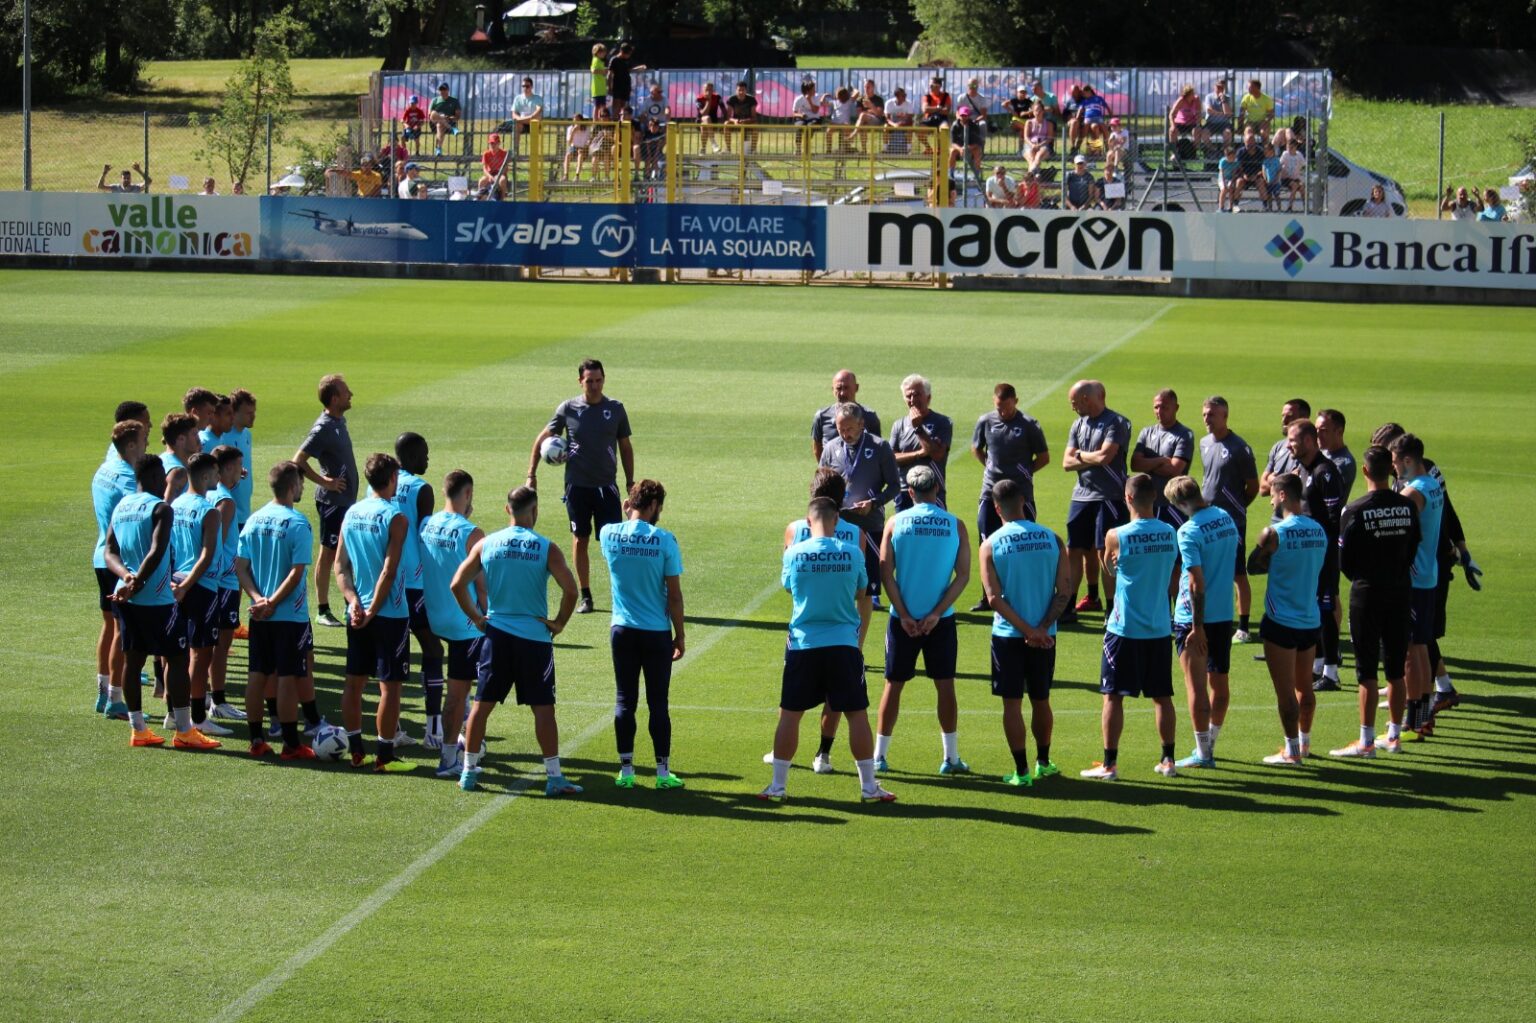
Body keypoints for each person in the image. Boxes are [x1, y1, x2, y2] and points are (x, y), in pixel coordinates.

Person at [760, 497, 894, 804]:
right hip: (843, 644)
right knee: (856, 714)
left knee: (790, 716)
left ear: (809, 522)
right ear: (836, 521)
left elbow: (789, 588)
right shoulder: (852, 553)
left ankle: (777, 787)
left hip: (804, 643)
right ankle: (869, 788)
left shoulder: (794, 553)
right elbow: (862, 593)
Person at [451, 485, 581, 795]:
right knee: (543, 709)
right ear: (534, 511)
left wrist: (478, 618)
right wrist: (559, 623)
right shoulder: (546, 547)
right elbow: (572, 590)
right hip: (534, 640)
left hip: (496, 636)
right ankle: (553, 777)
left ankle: (468, 772)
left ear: (507, 509)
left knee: (482, 706)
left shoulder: (488, 544)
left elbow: (457, 584)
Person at [763, 468, 873, 774]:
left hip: (804, 631)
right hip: (843, 631)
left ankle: (779, 776)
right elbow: (860, 591)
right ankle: (824, 754)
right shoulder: (854, 536)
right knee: (847, 704)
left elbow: (788, 583)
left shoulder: (795, 531)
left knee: (790, 707)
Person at [105, 455, 217, 750]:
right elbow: (156, 551)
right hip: (156, 600)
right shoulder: (160, 508)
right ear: (156, 477)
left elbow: (109, 552)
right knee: (178, 659)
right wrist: (138, 582)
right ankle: (183, 730)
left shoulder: (122, 506)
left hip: (126, 596)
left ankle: (138, 729)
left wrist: (127, 578)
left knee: (133, 659)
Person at [1081, 474, 1181, 780]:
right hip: (1160, 626)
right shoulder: (1169, 532)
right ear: (1155, 499)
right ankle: (1168, 760)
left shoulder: (1117, 535)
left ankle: (1109, 764)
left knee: (1112, 695)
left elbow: (1109, 569)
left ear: (1127, 499)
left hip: (1124, 629)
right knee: (1162, 696)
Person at [874, 466, 971, 775]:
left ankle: (879, 756)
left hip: (901, 620)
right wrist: (936, 613)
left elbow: (885, 571)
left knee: (893, 685)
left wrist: (903, 613)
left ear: (910, 493)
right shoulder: (956, 525)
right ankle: (951, 758)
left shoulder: (895, 522)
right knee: (945, 686)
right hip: (940, 621)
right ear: (937, 490)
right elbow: (964, 575)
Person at [1329, 446, 1418, 758]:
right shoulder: (1407, 507)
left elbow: (1345, 561)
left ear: (1365, 471)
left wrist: (1364, 577)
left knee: (1366, 670)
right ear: (1390, 470)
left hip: (1366, 593)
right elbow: (1413, 549)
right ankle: (1394, 736)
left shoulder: (1354, 510)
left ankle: (1366, 741)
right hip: (1400, 590)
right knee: (1396, 667)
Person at [526, 358, 634, 615]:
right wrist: (531, 474)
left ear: (604, 379)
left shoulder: (615, 409)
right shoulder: (568, 409)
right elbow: (542, 439)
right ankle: (586, 596)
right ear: (580, 381)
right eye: (589, 381)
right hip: (577, 487)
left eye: (598, 380)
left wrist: (631, 481)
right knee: (580, 539)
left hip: (607, 486)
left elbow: (625, 447)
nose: (594, 386)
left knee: (614, 543)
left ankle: (622, 595)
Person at [979, 479, 1070, 786]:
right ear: (1023, 502)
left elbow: (993, 598)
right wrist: (1041, 628)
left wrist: (1026, 630)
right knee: (1041, 699)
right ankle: (1043, 762)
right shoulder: (1053, 539)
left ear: (995, 508)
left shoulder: (990, 545)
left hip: (1008, 636)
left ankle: (1021, 772)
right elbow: (1065, 590)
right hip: (1045, 637)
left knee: (1012, 704)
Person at [600, 479, 686, 789]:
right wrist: (681, 635)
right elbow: (674, 596)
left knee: (625, 701)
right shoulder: (665, 540)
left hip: (622, 628)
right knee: (658, 703)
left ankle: (626, 771)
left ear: (630, 503)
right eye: (659, 507)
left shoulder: (608, 534)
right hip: (655, 633)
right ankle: (663, 774)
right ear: (652, 506)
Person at [335, 453, 413, 773]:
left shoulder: (352, 513)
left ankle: (356, 750)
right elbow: (389, 572)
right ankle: (384, 756)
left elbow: (340, 567)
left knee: (353, 683)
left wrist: (354, 602)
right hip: (389, 613)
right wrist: (372, 609)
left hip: (356, 613)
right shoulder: (396, 517)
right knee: (389, 686)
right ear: (392, 477)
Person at [234, 460, 317, 758]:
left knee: (257, 674)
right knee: (287, 677)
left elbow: (241, 567)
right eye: (301, 484)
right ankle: (292, 744)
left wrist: (258, 599)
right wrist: (273, 602)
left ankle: (256, 740)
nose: (303, 488)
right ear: (293, 486)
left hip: (260, 615)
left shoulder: (254, 520)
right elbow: (296, 574)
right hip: (288, 616)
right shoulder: (298, 523)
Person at [1247, 472, 1328, 765]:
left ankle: (1291, 750)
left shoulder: (1275, 533)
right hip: (1310, 619)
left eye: (1272, 495)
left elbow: (1253, 567)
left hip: (1281, 621)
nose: (1270, 500)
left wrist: (1265, 552)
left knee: (1286, 694)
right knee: (1305, 687)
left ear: (1282, 495)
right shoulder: (1318, 530)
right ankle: (1305, 743)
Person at [1163, 476, 1240, 769]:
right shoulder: (1225, 517)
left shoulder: (1188, 531)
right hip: (1223, 614)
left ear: (1179, 503)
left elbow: (1195, 583)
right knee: (1219, 682)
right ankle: (1210, 742)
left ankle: (1203, 752)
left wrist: (1197, 627)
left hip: (1194, 618)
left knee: (1195, 687)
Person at [419, 469, 486, 778]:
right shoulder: (472, 533)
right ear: (468, 493)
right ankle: (450, 758)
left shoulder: (426, 524)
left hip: (436, 617)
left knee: (462, 690)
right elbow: (483, 588)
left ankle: (462, 740)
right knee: (459, 694)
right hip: (465, 623)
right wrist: (486, 618)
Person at [969, 382, 1051, 609]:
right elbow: (976, 447)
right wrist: (988, 467)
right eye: (998, 408)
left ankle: (1025, 593)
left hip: (1020, 494)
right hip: (990, 492)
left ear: (1016, 400)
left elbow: (1044, 457)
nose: (1002, 412)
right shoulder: (986, 421)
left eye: (1006, 407)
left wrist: (1025, 473)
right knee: (987, 542)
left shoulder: (1029, 425)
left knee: (1024, 543)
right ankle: (988, 596)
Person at [1390, 433, 1445, 743]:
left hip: (1412, 578)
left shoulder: (1414, 493)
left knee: (1411, 653)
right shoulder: (1434, 484)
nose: (1395, 469)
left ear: (1408, 460)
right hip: (1428, 575)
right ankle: (1423, 719)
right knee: (1422, 647)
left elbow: (1397, 531)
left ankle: (1413, 721)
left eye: (1396, 463)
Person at [819, 402, 901, 609]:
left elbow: (894, 486)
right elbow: (821, 484)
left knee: (867, 589)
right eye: (840, 429)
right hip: (839, 525)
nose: (845, 434)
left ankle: (859, 637)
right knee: (838, 581)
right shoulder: (830, 448)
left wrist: (873, 503)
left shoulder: (880, 447)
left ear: (861, 424)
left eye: (849, 429)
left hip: (870, 523)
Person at [391, 433, 444, 749]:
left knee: (393, 656)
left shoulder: (379, 484)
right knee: (433, 650)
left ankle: (393, 729)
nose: (427, 459)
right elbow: (427, 537)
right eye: (424, 454)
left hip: (384, 584)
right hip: (413, 583)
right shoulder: (421, 490)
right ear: (410, 457)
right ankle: (433, 731)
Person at [168, 453, 226, 738]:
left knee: (177, 652)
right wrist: (188, 584)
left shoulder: (176, 504)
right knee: (202, 654)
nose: (218, 478)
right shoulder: (209, 510)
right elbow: (206, 555)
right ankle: (198, 717)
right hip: (199, 587)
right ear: (204, 477)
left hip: (176, 582)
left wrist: (176, 584)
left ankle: (173, 712)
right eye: (215, 473)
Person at [1062, 380, 1131, 618]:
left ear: (1086, 399)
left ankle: (1112, 609)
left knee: (1105, 552)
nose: (1072, 407)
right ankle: (1069, 604)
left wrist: (1080, 455)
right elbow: (1066, 463)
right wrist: (1087, 456)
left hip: (1109, 496)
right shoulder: (1077, 424)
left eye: (1074, 402)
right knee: (1074, 550)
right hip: (1081, 495)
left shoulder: (1117, 422)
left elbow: (1106, 456)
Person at [294, 374, 358, 628]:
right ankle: (322, 609)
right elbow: (298, 459)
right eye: (346, 391)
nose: (351, 394)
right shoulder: (324, 428)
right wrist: (326, 482)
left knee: (346, 553)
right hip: (333, 502)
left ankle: (347, 604)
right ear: (334, 398)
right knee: (329, 553)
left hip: (345, 501)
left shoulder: (338, 421)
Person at [93, 419, 147, 719]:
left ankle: (103, 692)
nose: (146, 445)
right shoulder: (127, 477)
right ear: (130, 445)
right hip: (120, 564)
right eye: (143, 440)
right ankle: (115, 698)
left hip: (101, 555)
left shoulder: (105, 469)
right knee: (121, 633)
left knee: (110, 626)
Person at [1286, 419, 1346, 691]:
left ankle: (1332, 672)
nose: (1289, 445)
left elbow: (1335, 519)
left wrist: (1322, 546)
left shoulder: (1325, 472)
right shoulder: (1304, 468)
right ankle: (1318, 664)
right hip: (1310, 553)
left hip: (1323, 554)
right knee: (1314, 608)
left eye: (1293, 440)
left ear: (1309, 441)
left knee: (1324, 608)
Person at [1199, 396, 1259, 642]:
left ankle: (1243, 627)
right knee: (1207, 568)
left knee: (1237, 573)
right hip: (1206, 519)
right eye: (1204, 414)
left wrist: (1237, 506)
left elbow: (1253, 487)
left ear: (1225, 416)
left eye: (1212, 415)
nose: (1207, 419)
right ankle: (1211, 616)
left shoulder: (1239, 448)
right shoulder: (1203, 443)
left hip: (1232, 522)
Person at [206, 445, 248, 723]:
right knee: (220, 644)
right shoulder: (226, 501)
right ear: (226, 468)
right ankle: (218, 700)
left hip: (213, 581)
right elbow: (218, 544)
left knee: (207, 644)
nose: (242, 472)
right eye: (238, 466)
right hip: (224, 581)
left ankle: (201, 697)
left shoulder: (207, 492)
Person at [1132, 388, 1195, 528]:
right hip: (1148, 505)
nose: (1159, 411)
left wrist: (1147, 463)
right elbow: (1135, 464)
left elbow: (1173, 470)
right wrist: (1161, 461)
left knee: (1174, 546)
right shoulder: (1146, 432)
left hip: (1172, 504)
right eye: (1156, 407)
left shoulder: (1184, 434)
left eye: (1164, 407)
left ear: (1176, 408)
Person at [889, 374, 952, 513]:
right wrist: (918, 454)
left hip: (933, 490)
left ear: (928, 397)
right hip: (905, 491)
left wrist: (918, 429)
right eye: (908, 396)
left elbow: (937, 455)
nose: (912, 400)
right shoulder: (898, 425)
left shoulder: (942, 422)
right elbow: (891, 458)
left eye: (917, 395)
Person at [811, 370, 881, 462]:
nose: (842, 393)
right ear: (833, 390)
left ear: (856, 388)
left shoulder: (869, 417)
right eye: (839, 388)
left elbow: (877, 448)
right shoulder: (821, 416)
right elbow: (817, 449)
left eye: (846, 388)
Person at [1259, 398, 1310, 514]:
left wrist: (1273, 479)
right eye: (1283, 416)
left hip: (1297, 521)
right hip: (1276, 521)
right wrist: (1287, 479)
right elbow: (1262, 488)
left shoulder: (1307, 450)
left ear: (1304, 419)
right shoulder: (1278, 447)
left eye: (1290, 416)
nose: (1284, 420)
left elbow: (1300, 486)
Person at [1316, 408, 1356, 503]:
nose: (1317, 434)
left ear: (1339, 432)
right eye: (1316, 430)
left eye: (1323, 430)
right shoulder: (1321, 453)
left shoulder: (1344, 463)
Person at [158, 412, 198, 502]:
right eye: (194, 434)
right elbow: (166, 508)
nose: (198, 439)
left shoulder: (160, 459)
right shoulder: (177, 472)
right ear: (181, 439)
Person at [605, 42, 645, 113]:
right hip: (617, 85)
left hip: (626, 85)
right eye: (628, 54)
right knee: (616, 104)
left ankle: (622, 120)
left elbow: (629, 70)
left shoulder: (628, 60)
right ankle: (615, 120)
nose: (629, 55)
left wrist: (639, 68)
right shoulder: (614, 60)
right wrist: (609, 87)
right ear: (622, 52)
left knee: (624, 105)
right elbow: (609, 74)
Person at [724, 81, 759, 154]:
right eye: (739, 90)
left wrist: (746, 121)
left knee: (755, 125)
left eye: (743, 90)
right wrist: (734, 121)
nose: (741, 92)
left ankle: (753, 149)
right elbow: (728, 116)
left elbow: (754, 117)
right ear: (736, 90)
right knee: (726, 123)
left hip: (748, 122)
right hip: (736, 123)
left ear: (746, 90)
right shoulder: (731, 99)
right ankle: (728, 149)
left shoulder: (751, 99)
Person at [510, 77, 544, 150]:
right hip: (522, 123)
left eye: (527, 86)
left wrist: (522, 119)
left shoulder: (537, 98)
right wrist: (527, 118)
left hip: (534, 123)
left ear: (531, 87)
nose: (525, 88)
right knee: (516, 125)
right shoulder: (518, 98)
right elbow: (513, 114)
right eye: (523, 86)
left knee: (535, 120)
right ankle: (515, 152)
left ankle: (534, 153)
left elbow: (538, 111)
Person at [429, 82, 461, 156]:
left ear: (448, 90)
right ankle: (452, 129)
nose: (442, 91)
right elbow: (431, 114)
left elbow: (457, 117)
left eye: (444, 89)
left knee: (440, 125)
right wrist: (441, 117)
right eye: (441, 90)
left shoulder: (454, 101)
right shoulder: (435, 100)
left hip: (448, 122)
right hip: (434, 123)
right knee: (434, 113)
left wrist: (448, 117)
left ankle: (438, 149)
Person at [696, 82, 726, 153]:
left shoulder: (717, 97)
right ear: (703, 90)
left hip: (713, 122)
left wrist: (723, 122)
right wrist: (708, 101)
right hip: (700, 120)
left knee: (704, 126)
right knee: (706, 118)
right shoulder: (699, 99)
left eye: (710, 90)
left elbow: (724, 110)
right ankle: (713, 143)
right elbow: (703, 113)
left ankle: (703, 149)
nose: (708, 92)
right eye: (706, 89)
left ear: (713, 90)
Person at [1205, 80, 1234, 147]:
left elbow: (1228, 114)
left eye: (1221, 87)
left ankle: (1225, 151)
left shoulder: (1227, 98)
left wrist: (1223, 100)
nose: (1219, 89)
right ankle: (1212, 150)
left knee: (1227, 133)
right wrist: (1222, 114)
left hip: (1224, 124)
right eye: (1218, 87)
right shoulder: (1209, 97)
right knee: (1205, 134)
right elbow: (1209, 110)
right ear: (1214, 87)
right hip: (1211, 123)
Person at [480, 133, 510, 198]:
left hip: (500, 174)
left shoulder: (504, 153)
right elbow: (484, 168)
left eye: (494, 143)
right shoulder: (486, 154)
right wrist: (490, 176)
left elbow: (506, 168)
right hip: (490, 174)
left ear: (499, 143)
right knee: (481, 181)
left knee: (502, 180)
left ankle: (502, 200)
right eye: (491, 143)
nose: (492, 145)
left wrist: (498, 176)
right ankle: (480, 200)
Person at [589, 44, 608, 115]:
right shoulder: (596, 60)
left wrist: (604, 70)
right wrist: (603, 71)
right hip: (597, 88)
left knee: (602, 106)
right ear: (597, 52)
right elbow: (593, 71)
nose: (604, 54)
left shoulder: (600, 61)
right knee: (597, 106)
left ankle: (601, 121)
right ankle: (595, 123)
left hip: (601, 88)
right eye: (602, 52)